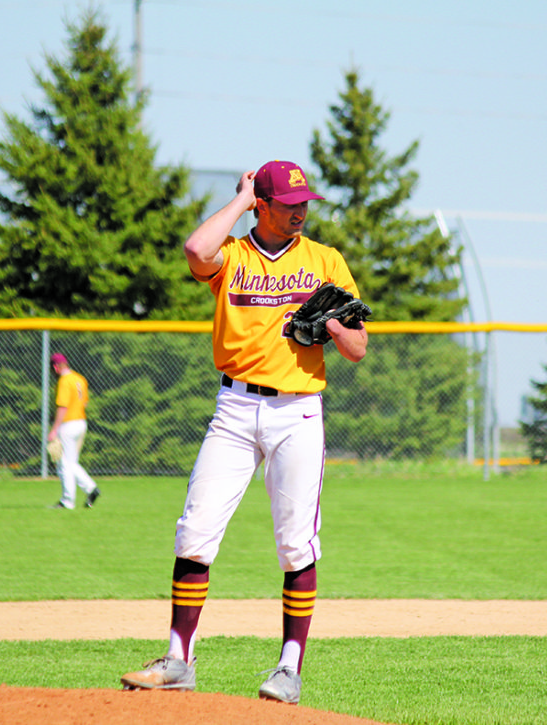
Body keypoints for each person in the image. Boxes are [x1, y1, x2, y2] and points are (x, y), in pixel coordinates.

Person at [121, 161, 368, 704]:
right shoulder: (233, 255)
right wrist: (238, 200)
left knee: (294, 543)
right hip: (234, 408)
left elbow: (358, 347)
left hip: (299, 412)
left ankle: (288, 669)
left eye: (305, 203)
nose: (301, 211)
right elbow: (194, 251)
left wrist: (330, 325)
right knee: (194, 532)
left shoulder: (325, 261)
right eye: (288, 203)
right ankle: (179, 659)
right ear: (263, 203)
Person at [48, 352, 100, 510]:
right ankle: (91, 489)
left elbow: (63, 406)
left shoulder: (64, 381)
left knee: (64, 464)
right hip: (81, 423)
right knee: (71, 463)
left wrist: (54, 429)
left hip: (68, 425)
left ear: (56, 367)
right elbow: (84, 403)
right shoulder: (79, 378)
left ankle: (67, 501)